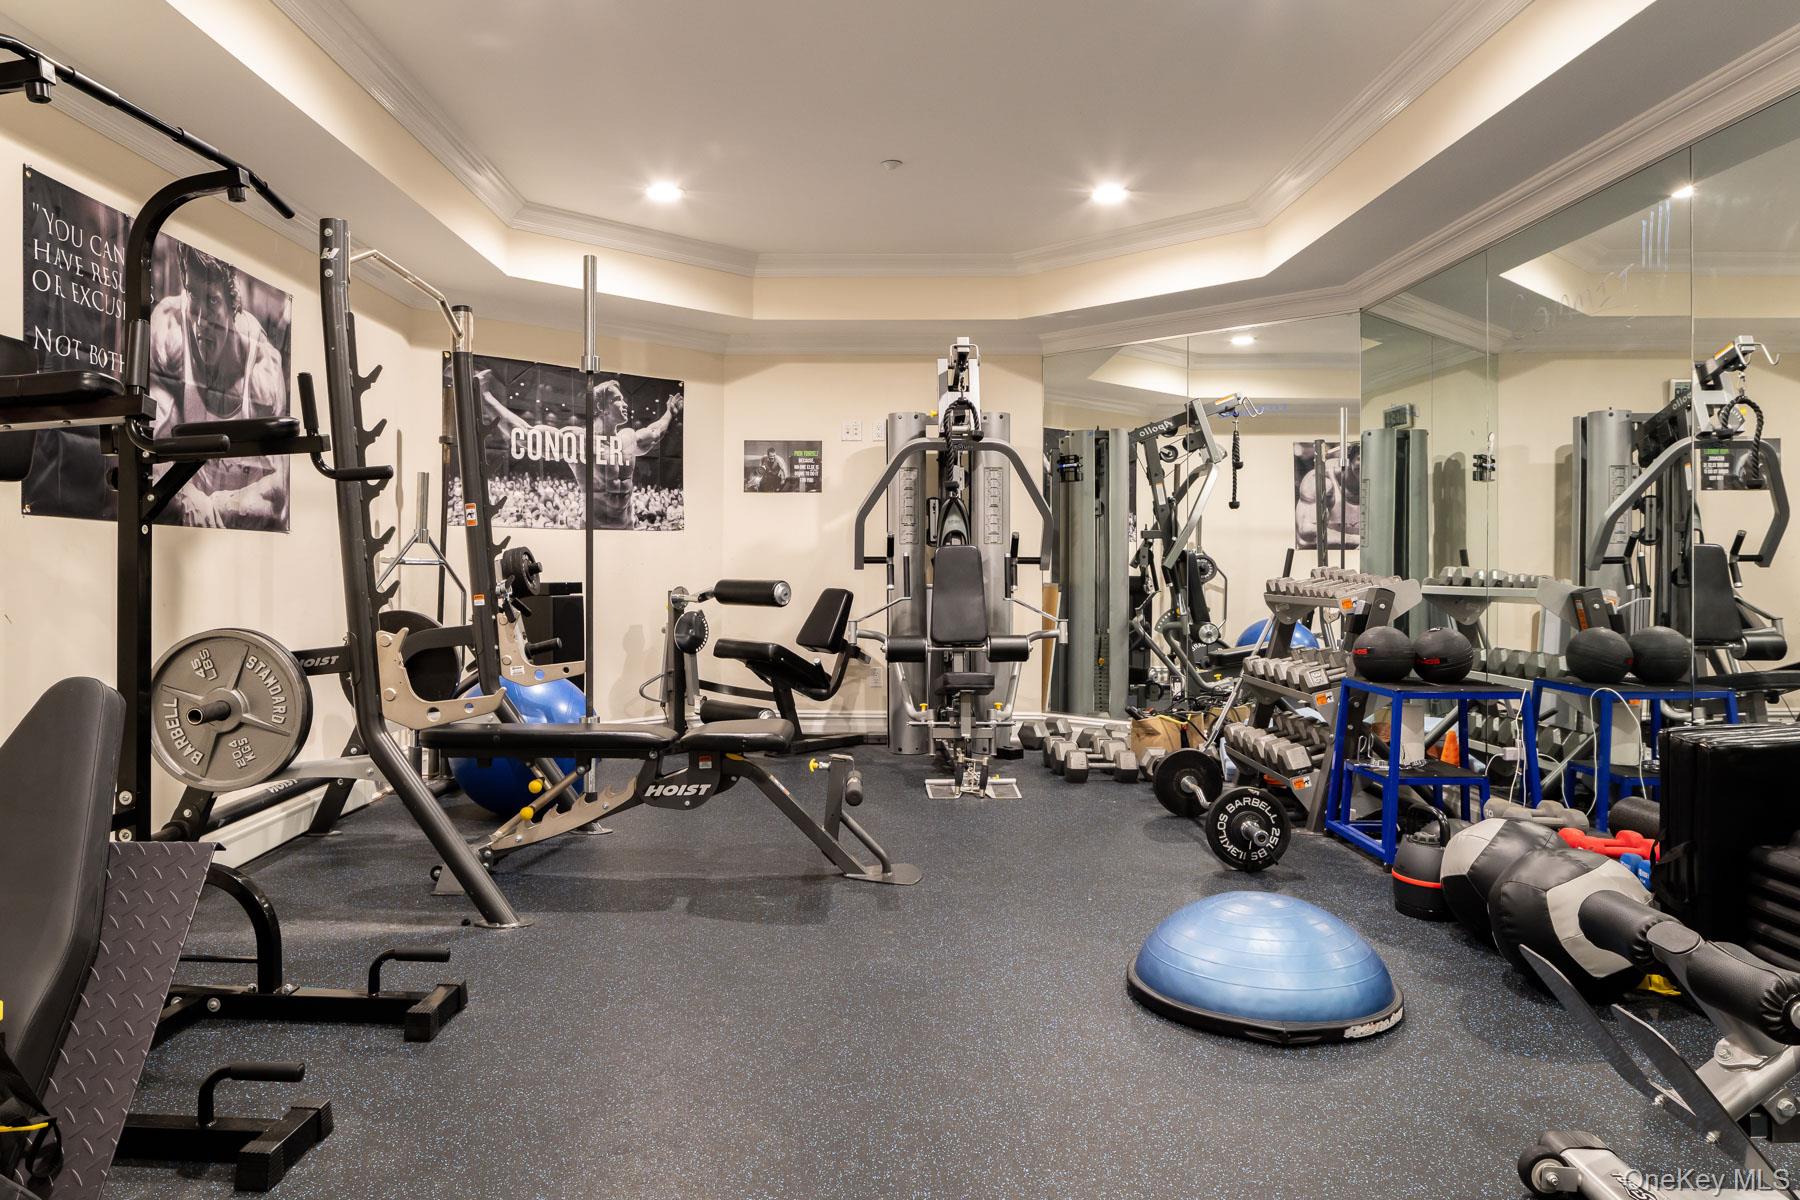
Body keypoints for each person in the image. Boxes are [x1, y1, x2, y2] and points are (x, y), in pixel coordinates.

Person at [148, 245, 289, 528]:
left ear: (232, 304)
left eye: (212, 301)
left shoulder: (264, 372)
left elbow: (277, 492)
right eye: (193, 296)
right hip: (179, 526)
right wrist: (188, 499)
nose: (201, 320)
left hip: (234, 529)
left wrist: (215, 507)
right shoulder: (169, 331)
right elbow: (146, 451)